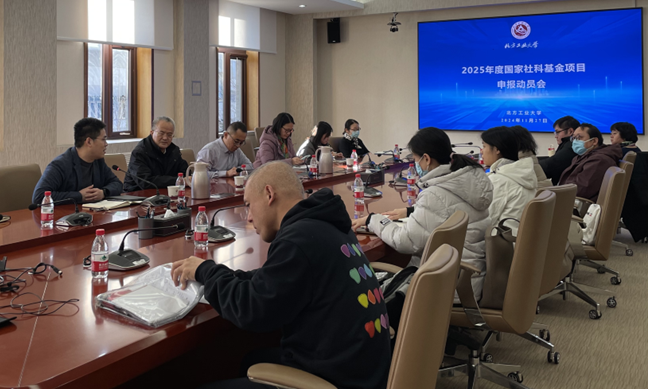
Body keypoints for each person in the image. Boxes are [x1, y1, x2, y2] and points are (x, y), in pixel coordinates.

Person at [172, 162, 391, 389]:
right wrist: (228, 275)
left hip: (338, 379)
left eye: (249, 205)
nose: (248, 217)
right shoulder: (326, 224)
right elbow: (273, 279)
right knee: (251, 360)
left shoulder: (298, 240)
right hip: (363, 371)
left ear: (269, 194)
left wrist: (205, 270)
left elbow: (252, 309)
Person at [352, 127, 493, 300]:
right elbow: (446, 208)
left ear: (426, 159)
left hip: (443, 288)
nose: (415, 165)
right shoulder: (466, 182)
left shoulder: (435, 193)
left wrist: (373, 219)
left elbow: (405, 241)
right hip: (466, 281)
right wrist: (410, 211)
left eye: (415, 159)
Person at [33, 118, 123, 205]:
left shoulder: (98, 161)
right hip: (66, 214)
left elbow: (117, 184)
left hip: (93, 213)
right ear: (89, 142)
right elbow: (39, 197)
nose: (106, 144)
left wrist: (104, 192)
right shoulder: (61, 164)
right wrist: (79, 196)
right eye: (103, 139)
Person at [480, 127, 538, 233]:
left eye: (484, 146)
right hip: (519, 236)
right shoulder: (522, 174)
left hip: (500, 238)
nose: (481, 151)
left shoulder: (499, 180)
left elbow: (485, 219)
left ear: (497, 149)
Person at [558, 123, 624, 202]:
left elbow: (581, 190)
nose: (575, 141)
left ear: (594, 141)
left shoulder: (599, 160)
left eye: (579, 137)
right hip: (569, 198)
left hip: (578, 204)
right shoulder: (584, 156)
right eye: (573, 138)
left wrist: (556, 194)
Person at [124, 116, 189, 192]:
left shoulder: (173, 150)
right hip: (137, 194)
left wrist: (188, 178)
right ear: (152, 133)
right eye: (161, 133)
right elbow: (146, 182)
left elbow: (184, 171)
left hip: (165, 193)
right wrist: (178, 181)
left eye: (169, 135)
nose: (165, 138)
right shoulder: (139, 152)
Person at [539, 116, 580, 185]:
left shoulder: (572, 147)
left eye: (558, 132)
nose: (555, 136)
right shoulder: (566, 144)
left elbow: (550, 166)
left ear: (570, 131)